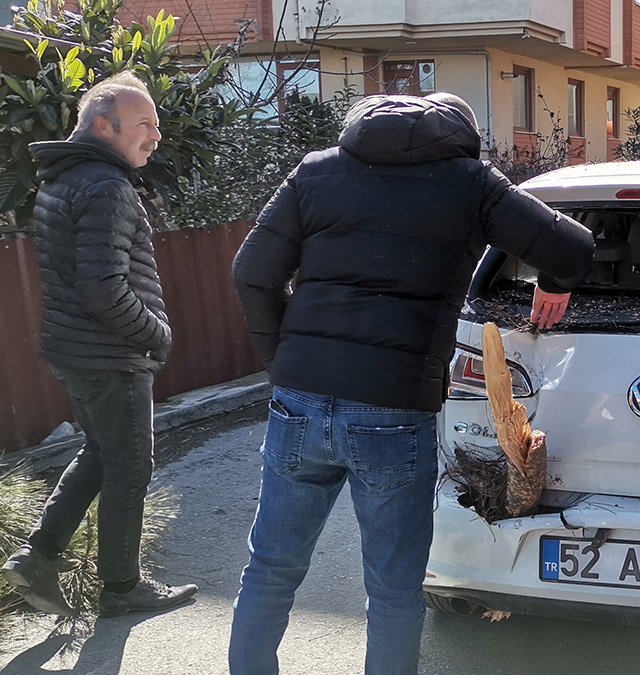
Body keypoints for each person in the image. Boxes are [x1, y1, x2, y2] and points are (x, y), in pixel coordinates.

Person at [228, 92, 595, 675]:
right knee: (393, 591)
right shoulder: (470, 182)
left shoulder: (318, 170)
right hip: (394, 409)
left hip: (298, 402)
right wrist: (553, 281)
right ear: (462, 134)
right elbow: (572, 246)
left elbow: (251, 272)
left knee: (270, 568)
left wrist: (285, 363)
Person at [0, 72, 199, 617]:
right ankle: (121, 588)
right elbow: (103, 288)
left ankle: (36, 557)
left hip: (76, 353)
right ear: (104, 126)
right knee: (130, 467)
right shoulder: (106, 187)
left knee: (102, 453)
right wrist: (157, 335)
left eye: (157, 124)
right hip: (109, 356)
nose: (155, 135)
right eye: (144, 124)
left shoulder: (64, 179)